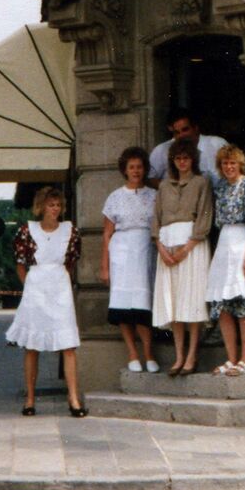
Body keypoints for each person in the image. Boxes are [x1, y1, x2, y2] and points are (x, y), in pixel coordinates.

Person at [6, 186, 88, 417]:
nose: (55, 209)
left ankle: (74, 399)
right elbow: (20, 265)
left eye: (58, 205)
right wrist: (31, 288)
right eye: (51, 205)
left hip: (60, 289)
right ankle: (30, 400)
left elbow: (70, 263)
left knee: (68, 345)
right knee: (32, 346)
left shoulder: (70, 231)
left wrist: (58, 283)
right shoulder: (26, 231)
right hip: (36, 290)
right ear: (41, 207)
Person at [151, 138, 213, 375]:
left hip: (192, 246)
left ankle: (191, 355)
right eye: (178, 158)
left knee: (192, 300)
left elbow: (204, 217)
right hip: (167, 245)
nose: (182, 162)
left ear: (193, 160)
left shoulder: (201, 183)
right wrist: (162, 249)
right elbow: (156, 219)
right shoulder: (164, 186)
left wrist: (186, 249)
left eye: (186, 158)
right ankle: (178, 356)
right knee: (174, 301)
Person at [206, 144, 245, 375]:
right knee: (223, 305)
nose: (229, 167)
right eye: (225, 163)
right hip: (225, 244)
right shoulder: (221, 187)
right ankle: (231, 358)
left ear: (240, 164)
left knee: (244, 303)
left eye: (232, 163)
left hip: (244, 242)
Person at [101, 146, 159, 373]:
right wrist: (105, 266)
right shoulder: (115, 197)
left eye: (139, 167)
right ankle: (132, 354)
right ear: (125, 170)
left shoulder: (154, 196)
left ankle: (149, 354)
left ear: (145, 169)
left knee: (143, 305)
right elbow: (107, 234)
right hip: (121, 253)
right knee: (123, 305)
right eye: (131, 167)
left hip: (146, 251)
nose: (136, 171)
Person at [147, 107, 228, 191]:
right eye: (177, 132)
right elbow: (149, 178)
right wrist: (172, 190)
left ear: (195, 128)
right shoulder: (162, 150)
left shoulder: (217, 144)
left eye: (185, 130)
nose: (181, 135)